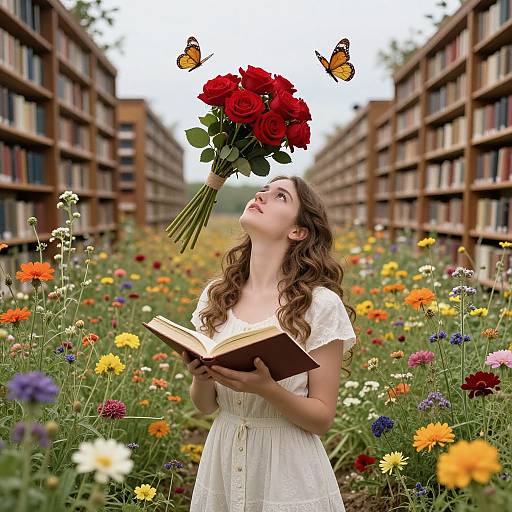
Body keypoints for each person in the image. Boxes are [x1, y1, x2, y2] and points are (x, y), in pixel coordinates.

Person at [181, 175, 357, 512]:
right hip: (223, 455)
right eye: (263, 189)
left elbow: (321, 419)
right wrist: (200, 377)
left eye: (280, 196)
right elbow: (205, 406)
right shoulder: (217, 295)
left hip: (288, 471)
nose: (261, 195)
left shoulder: (319, 305)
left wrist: (267, 388)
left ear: (298, 231)